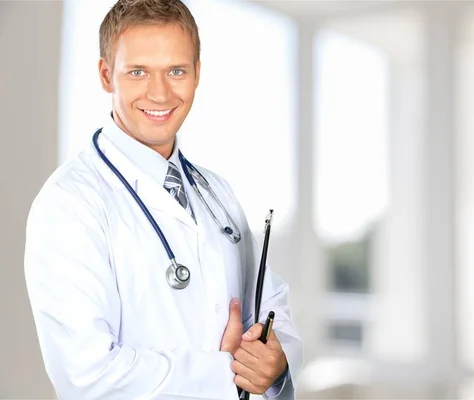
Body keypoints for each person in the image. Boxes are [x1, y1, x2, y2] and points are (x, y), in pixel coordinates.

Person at [23, 0, 303, 399]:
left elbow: (270, 304)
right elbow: (85, 374)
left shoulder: (217, 192)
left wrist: (276, 361)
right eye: (138, 72)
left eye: (176, 70)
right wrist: (223, 373)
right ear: (106, 75)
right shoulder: (70, 203)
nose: (160, 92)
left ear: (197, 74)